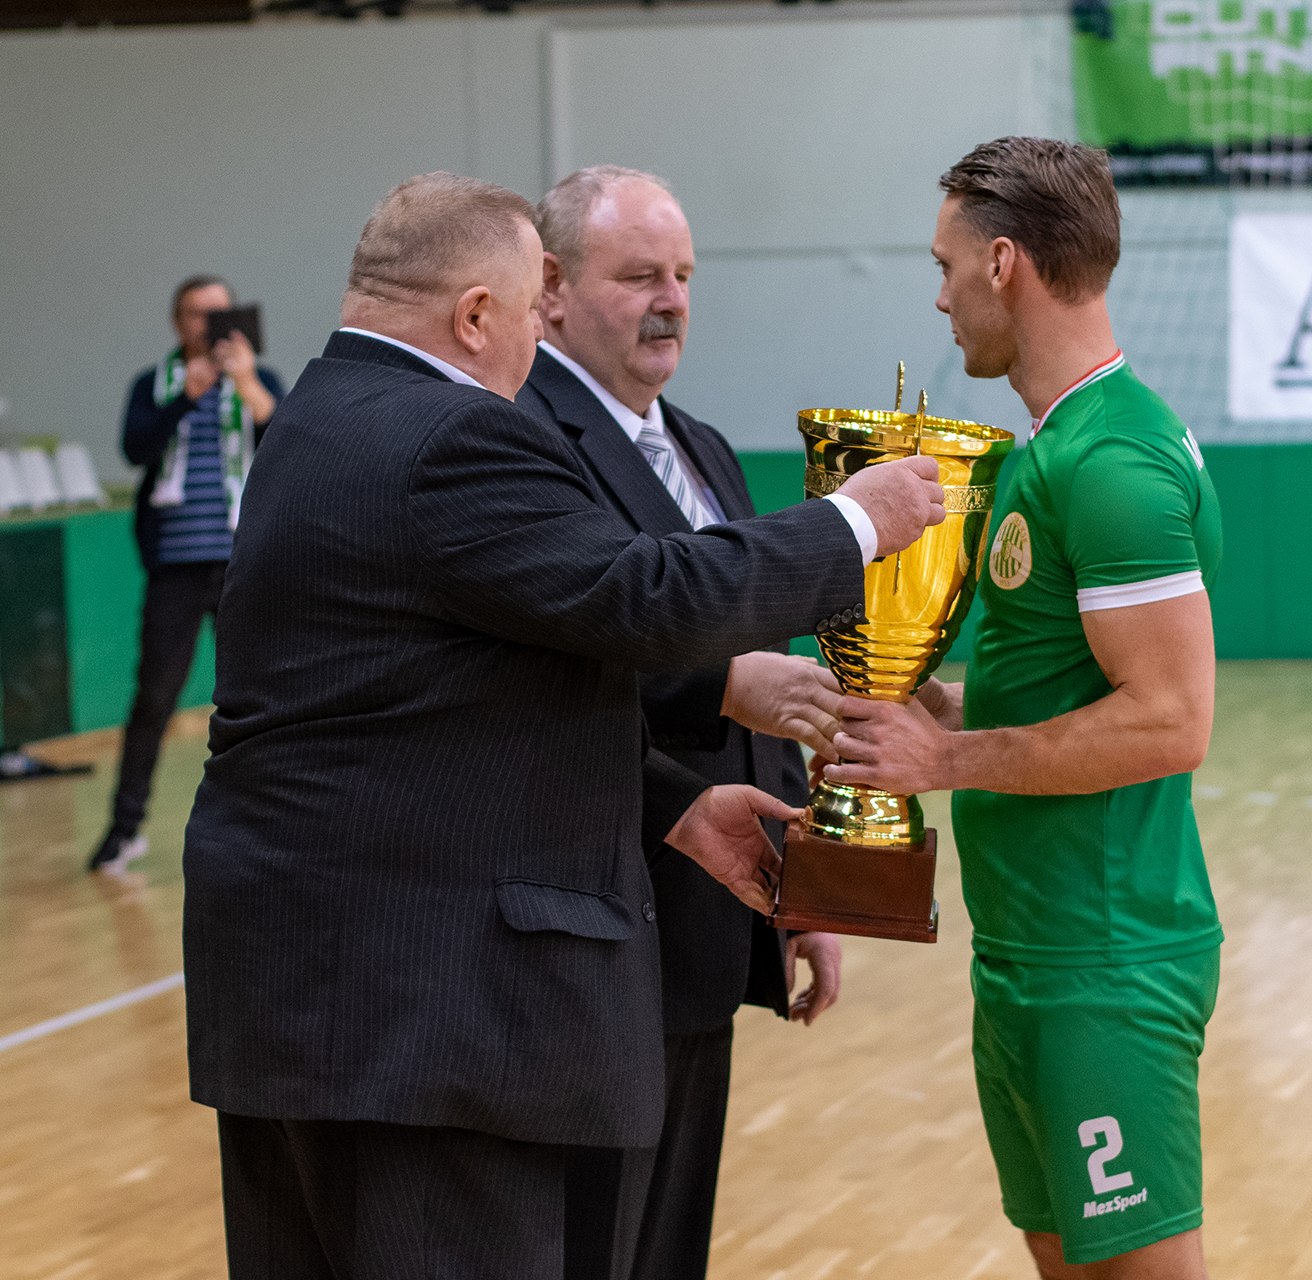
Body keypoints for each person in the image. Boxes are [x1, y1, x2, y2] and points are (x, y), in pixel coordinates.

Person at [182, 171, 945, 1280]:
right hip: (425, 1026)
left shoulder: (313, 418)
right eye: (529, 310)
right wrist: (855, 522)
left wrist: (675, 807)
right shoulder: (449, 435)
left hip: (314, 1010)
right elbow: (649, 598)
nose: (535, 341)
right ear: (475, 316)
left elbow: (456, 697)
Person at [829, 138, 1223, 1280]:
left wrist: (943, 763)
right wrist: (934, 707)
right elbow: (1069, 686)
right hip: (1024, 950)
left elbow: (1171, 719)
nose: (939, 295)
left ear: (1003, 263)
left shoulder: (1113, 461)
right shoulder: (1058, 448)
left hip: (1105, 958)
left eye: (945, 264)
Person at [517, 165, 846, 1280]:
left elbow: (772, 682)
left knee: (667, 1248)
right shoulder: (521, 438)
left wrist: (806, 890)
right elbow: (568, 669)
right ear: (550, 288)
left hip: (708, 926)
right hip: (602, 926)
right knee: (595, 1248)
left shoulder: (701, 443)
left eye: (686, 276)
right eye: (640, 276)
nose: (671, 302)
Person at [86, 275, 285, 875]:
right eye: (198, 314)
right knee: (153, 699)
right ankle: (124, 830)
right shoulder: (153, 385)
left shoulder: (261, 380)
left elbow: (287, 445)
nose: (211, 325)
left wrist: (247, 386)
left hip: (244, 566)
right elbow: (135, 450)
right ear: (178, 322)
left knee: (261, 698)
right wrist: (184, 398)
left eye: (221, 313)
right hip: (174, 567)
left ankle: (271, 825)